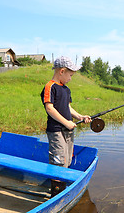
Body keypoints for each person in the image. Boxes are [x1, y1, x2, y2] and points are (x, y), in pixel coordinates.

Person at [40, 56, 91, 197]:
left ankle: (63, 189)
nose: (71, 78)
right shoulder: (50, 87)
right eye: (70, 75)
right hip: (56, 131)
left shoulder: (66, 89)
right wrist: (66, 122)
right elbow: (49, 108)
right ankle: (56, 194)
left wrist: (80, 116)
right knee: (58, 162)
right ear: (62, 71)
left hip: (68, 131)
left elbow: (68, 107)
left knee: (67, 160)